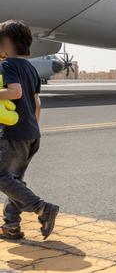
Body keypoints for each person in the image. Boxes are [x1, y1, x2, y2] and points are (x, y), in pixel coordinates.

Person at [0, 20, 58, 241]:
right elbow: (37, 104)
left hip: (14, 134)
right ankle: (11, 226)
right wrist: (32, 129)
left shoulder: (8, 66)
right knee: (14, 181)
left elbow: (14, 92)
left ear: (6, 42)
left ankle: (42, 208)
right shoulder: (31, 69)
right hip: (31, 133)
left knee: (2, 177)